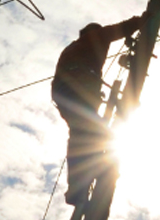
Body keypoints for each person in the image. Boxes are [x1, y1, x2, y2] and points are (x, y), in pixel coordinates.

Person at [52, 14, 146, 205]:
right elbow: (114, 30)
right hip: (75, 88)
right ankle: (89, 177)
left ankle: (81, 182)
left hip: (65, 92)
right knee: (93, 131)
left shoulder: (75, 49)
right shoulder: (92, 39)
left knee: (83, 133)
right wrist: (140, 21)